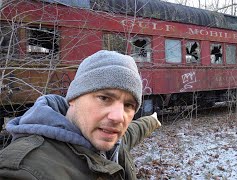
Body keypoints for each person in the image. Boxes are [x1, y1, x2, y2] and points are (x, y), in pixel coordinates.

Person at [0, 50, 161, 179]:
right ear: (73, 98)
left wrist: (153, 120)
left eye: (128, 105)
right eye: (104, 98)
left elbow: (133, 131)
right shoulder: (26, 169)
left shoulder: (110, 142)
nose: (119, 117)